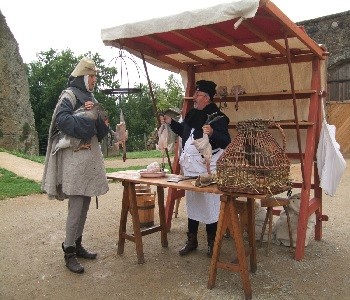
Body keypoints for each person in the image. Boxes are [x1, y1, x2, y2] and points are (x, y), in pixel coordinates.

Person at [41, 57, 110, 273]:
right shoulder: (69, 95)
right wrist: (86, 120)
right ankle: (68, 250)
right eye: (92, 77)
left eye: (95, 77)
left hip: (88, 162)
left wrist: (96, 113)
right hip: (74, 162)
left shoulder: (91, 97)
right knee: (76, 206)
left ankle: (78, 244)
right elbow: (62, 120)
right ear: (83, 77)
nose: (94, 80)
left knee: (86, 203)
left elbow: (103, 129)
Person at [162, 80, 231, 257]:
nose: (194, 98)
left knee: (210, 207)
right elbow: (184, 131)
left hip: (207, 170)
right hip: (191, 169)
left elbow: (226, 141)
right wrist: (171, 122)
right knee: (193, 205)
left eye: (198, 95)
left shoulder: (218, 117)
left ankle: (211, 243)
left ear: (206, 98)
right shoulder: (192, 115)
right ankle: (191, 240)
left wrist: (213, 133)